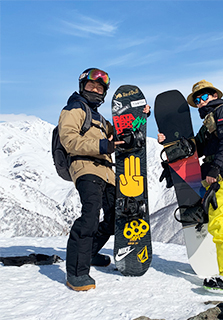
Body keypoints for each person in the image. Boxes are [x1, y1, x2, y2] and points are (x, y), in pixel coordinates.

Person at [59, 68, 150, 291]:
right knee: (90, 216)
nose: (96, 91)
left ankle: (88, 253)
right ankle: (77, 272)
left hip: (107, 173)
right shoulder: (74, 109)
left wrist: (141, 116)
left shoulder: (99, 117)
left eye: (100, 88)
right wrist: (101, 146)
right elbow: (69, 140)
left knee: (113, 219)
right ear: (83, 87)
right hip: (85, 168)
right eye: (92, 86)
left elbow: (120, 135)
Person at [158, 80, 223, 293]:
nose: (199, 102)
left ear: (215, 95)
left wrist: (215, 169)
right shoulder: (208, 123)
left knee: (220, 223)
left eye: (203, 97)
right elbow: (194, 147)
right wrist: (166, 141)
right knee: (213, 221)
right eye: (196, 100)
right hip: (214, 174)